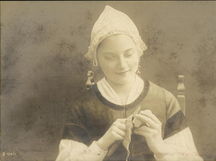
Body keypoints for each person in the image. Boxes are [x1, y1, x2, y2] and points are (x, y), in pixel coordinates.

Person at [55, 5, 203, 161]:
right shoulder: (82, 107)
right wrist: (102, 144)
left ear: (139, 52)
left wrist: (159, 147)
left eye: (128, 54)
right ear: (96, 59)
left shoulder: (165, 100)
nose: (122, 64)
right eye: (110, 57)